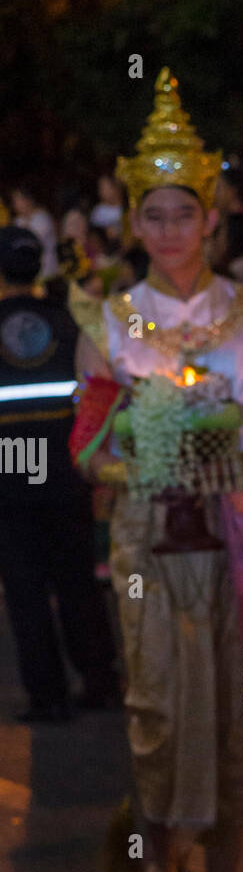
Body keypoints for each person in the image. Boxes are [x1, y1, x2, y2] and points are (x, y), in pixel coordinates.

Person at [68, 68, 243, 872]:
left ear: (212, 216)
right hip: (146, 547)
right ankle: (158, 871)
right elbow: (85, 445)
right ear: (135, 222)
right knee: (159, 712)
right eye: (152, 216)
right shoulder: (110, 319)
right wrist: (144, 455)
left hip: (236, 539)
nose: (169, 232)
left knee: (241, 717)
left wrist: (219, 454)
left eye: (184, 214)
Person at [0, 227, 118, 720]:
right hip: (66, 468)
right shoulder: (69, 320)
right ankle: (99, 683)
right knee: (77, 581)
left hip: (9, 473)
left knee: (24, 588)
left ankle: (46, 698)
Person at [11, 182, 58, 279]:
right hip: (28, 274)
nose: (15, 203)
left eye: (18, 199)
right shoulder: (18, 221)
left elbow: (30, 244)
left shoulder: (42, 219)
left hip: (47, 272)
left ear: (29, 200)